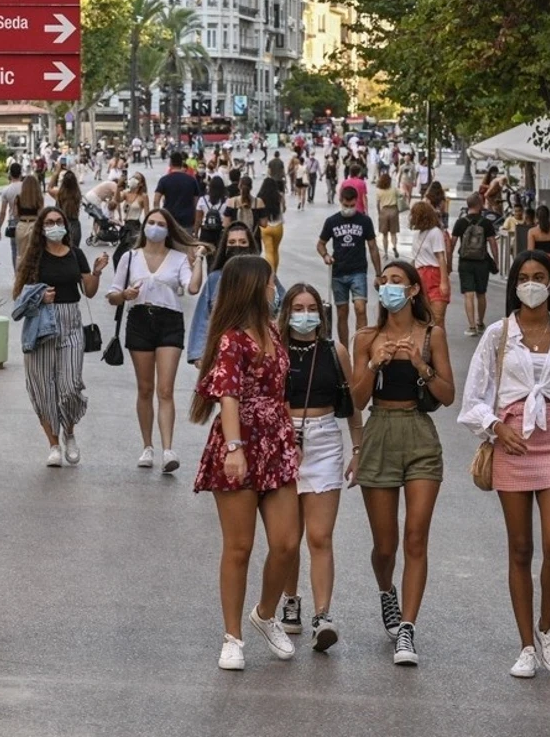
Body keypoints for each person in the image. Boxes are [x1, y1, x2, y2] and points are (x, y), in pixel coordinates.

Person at [459, 251, 550, 677]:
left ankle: (547, 626)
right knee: (520, 548)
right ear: (515, 284)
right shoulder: (498, 335)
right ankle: (525, 645)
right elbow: (473, 400)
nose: (531, 284)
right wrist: (496, 428)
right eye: (523, 277)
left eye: (539, 277)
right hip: (513, 441)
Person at [192, 254, 300, 671]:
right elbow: (228, 395)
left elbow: (281, 391)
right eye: (271, 283)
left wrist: (291, 436)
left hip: (276, 440)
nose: (276, 289)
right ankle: (232, 636)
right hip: (241, 440)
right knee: (239, 546)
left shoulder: (273, 331)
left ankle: (265, 613)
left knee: (287, 542)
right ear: (254, 287)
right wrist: (234, 448)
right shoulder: (232, 339)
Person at [350, 260, 454, 667]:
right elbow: (356, 402)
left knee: (415, 537)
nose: (388, 288)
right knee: (385, 545)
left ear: (413, 290)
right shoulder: (365, 337)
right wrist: (374, 364)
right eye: (383, 282)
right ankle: (386, 592)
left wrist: (421, 366)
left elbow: (447, 394)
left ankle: (407, 629)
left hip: (418, 434)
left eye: (397, 282)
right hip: (379, 432)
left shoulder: (432, 335)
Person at [277, 283, 362, 652]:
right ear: (286, 310)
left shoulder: (335, 350)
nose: (305, 313)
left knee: (320, 536)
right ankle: (290, 600)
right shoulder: (274, 349)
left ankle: (322, 615)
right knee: (287, 538)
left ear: (322, 314)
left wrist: (358, 448)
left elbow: (353, 403)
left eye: (312, 307)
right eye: (298, 306)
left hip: (325, 439)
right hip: (282, 441)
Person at [108, 208, 209, 472]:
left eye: (161, 223)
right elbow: (113, 294)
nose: (155, 227)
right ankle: (147, 446)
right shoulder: (130, 258)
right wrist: (125, 295)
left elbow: (193, 288)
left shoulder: (177, 259)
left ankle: (168, 448)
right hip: (139, 319)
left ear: (169, 229)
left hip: (169, 322)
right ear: (144, 227)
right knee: (145, 388)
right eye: (151, 222)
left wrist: (198, 260)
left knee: (165, 389)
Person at [12, 207, 107, 467]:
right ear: (41, 229)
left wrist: (97, 272)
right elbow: (17, 296)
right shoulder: (33, 258)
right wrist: (40, 297)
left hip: (71, 323)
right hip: (41, 325)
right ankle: (53, 444)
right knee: (43, 387)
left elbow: (89, 291)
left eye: (59, 221)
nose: (55, 226)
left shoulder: (76, 255)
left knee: (70, 385)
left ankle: (70, 433)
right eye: (50, 222)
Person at [189, 223, 282, 362]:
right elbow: (203, 317)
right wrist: (198, 355)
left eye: (242, 242)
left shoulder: (264, 274)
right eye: (232, 242)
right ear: (225, 247)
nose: (237, 245)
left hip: (259, 351)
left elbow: (283, 303)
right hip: (224, 352)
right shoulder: (215, 279)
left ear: (250, 245)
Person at [318, 186, 382, 350]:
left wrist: (379, 273)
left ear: (357, 202)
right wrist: (326, 256)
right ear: (340, 202)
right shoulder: (332, 221)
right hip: (338, 272)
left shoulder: (364, 221)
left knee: (361, 309)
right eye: (346, 205)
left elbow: (373, 247)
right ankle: (344, 350)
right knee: (342, 312)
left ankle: (362, 347)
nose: (349, 209)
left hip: (358, 271)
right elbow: (321, 244)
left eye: (352, 205)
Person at [453, 191, 502, 336]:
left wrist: (449, 261)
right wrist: (496, 261)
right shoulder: (486, 223)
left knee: (468, 294)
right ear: (479, 205)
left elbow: (452, 242)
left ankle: (471, 326)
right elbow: (493, 243)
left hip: (465, 262)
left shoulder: (461, 222)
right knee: (481, 293)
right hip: (482, 262)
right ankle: (480, 322)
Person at [409, 200, 450, 312]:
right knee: (424, 317)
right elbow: (415, 258)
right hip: (419, 275)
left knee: (437, 317)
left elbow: (441, 257)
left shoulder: (435, 232)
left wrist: (444, 282)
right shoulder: (416, 234)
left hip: (433, 275)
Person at [155, 151, 204, 235]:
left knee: (170, 245)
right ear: (182, 163)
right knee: (185, 245)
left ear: (170, 163)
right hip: (187, 220)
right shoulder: (191, 180)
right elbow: (196, 203)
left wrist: (159, 216)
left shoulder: (164, 180)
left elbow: (156, 201)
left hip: (169, 219)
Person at [257, 168, 288, 272]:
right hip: (278, 226)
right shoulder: (279, 196)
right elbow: (283, 209)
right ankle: (275, 273)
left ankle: (271, 273)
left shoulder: (260, 197)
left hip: (265, 227)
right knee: (275, 250)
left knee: (268, 251)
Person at [117, 172, 150, 266]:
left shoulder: (143, 196)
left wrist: (146, 230)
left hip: (134, 227)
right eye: (133, 177)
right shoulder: (126, 194)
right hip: (125, 227)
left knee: (128, 255)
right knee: (119, 256)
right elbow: (117, 200)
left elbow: (147, 214)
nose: (133, 179)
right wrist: (118, 187)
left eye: (137, 178)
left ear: (141, 183)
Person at [13, 174, 44, 266]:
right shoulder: (39, 198)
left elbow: (15, 214)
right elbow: (41, 214)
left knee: (21, 254)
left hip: (22, 225)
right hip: (34, 225)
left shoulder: (18, 198)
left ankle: (20, 276)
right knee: (35, 254)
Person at [0, 163, 24, 261]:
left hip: (13, 222)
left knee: (15, 250)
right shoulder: (26, 187)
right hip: (27, 220)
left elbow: (2, 212)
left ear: (10, 174)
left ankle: (17, 274)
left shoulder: (6, 190)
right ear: (21, 173)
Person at [374, 172, 402, 259]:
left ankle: (386, 253)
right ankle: (394, 246)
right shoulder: (393, 189)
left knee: (384, 235)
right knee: (393, 233)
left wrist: (379, 213)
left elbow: (377, 204)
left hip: (384, 211)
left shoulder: (379, 191)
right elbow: (401, 195)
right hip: (393, 210)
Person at [54, 170, 84, 246]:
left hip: (62, 224)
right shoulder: (77, 194)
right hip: (74, 224)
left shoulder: (60, 194)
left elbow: (49, 188)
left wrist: (57, 171)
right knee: (74, 251)